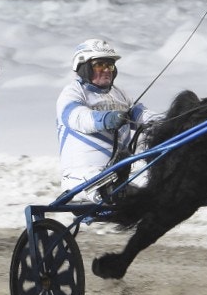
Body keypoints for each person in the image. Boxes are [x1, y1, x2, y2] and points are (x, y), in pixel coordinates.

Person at [56, 38, 160, 202]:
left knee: (162, 178)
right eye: (99, 65)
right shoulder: (72, 92)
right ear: (84, 67)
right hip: (82, 174)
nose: (107, 70)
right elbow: (78, 117)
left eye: (110, 65)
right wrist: (106, 119)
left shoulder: (120, 94)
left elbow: (144, 115)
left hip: (121, 171)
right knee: (107, 185)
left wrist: (171, 120)